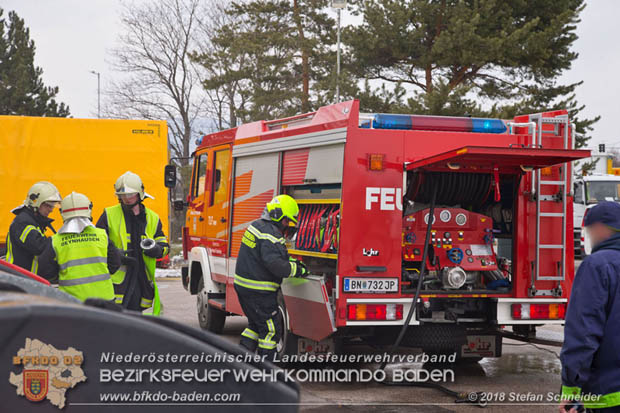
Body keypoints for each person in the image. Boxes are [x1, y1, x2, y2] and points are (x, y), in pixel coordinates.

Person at [560, 201, 620, 412]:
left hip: (609, 394)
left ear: (601, 228)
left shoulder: (597, 265)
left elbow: (584, 332)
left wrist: (571, 388)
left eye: (589, 229)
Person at [234, 194, 308, 360]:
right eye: (287, 221)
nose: (288, 226)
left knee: (255, 326)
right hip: (259, 293)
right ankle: (267, 375)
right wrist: (298, 269)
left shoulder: (257, 226)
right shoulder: (271, 235)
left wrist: (288, 260)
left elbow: (269, 256)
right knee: (270, 332)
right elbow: (277, 265)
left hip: (245, 289)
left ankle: (240, 364)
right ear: (279, 217)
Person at [96, 171, 168, 315]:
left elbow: (163, 244)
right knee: (115, 319)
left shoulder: (152, 218)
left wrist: (157, 249)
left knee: (137, 318)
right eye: (122, 196)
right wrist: (114, 254)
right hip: (117, 279)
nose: (126, 199)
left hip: (141, 278)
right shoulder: (109, 215)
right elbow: (97, 242)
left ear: (140, 194)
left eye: (130, 195)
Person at [38, 192, 120, 302]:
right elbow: (115, 263)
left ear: (62, 212)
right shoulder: (102, 235)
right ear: (88, 209)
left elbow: (45, 272)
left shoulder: (55, 241)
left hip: (72, 303)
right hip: (105, 300)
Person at [5, 181, 61, 274]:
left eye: (53, 206)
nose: (51, 210)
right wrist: (62, 239)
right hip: (19, 279)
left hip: (26, 278)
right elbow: (39, 246)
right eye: (48, 205)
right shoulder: (22, 223)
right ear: (35, 203)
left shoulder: (34, 221)